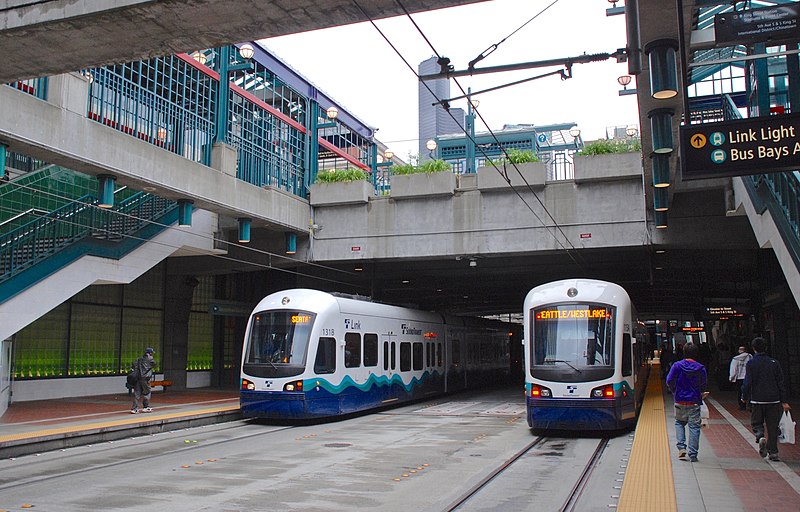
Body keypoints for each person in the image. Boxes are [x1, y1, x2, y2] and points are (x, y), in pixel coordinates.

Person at [743, 337, 791, 461]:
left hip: (757, 399)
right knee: (773, 426)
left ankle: (760, 435)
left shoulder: (751, 363)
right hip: (774, 400)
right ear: (766, 347)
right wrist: (784, 400)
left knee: (756, 422)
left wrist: (744, 396)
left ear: (753, 349)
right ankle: (773, 452)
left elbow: (748, 382)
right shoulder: (774, 363)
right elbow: (780, 382)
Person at [666, 342, 708, 462]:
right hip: (694, 401)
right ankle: (693, 454)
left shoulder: (677, 366)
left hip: (679, 400)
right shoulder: (701, 368)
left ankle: (681, 448)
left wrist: (674, 390)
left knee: (679, 423)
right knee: (694, 427)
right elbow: (704, 384)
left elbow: (669, 380)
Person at [130, 347, 156, 414]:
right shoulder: (150, 359)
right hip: (145, 378)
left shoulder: (139, 359)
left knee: (137, 393)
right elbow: (154, 365)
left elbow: (133, 366)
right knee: (147, 392)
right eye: (151, 353)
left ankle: (134, 408)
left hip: (138, 378)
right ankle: (145, 407)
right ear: (149, 353)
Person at [729, 345, 752, 410]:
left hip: (740, 377)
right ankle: (750, 405)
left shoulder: (735, 359)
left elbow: (733, 369)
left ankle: (742, 405)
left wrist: (731, 377)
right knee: (750, 391)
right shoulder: (750, 357)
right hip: (749, 376)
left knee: (740, 391)